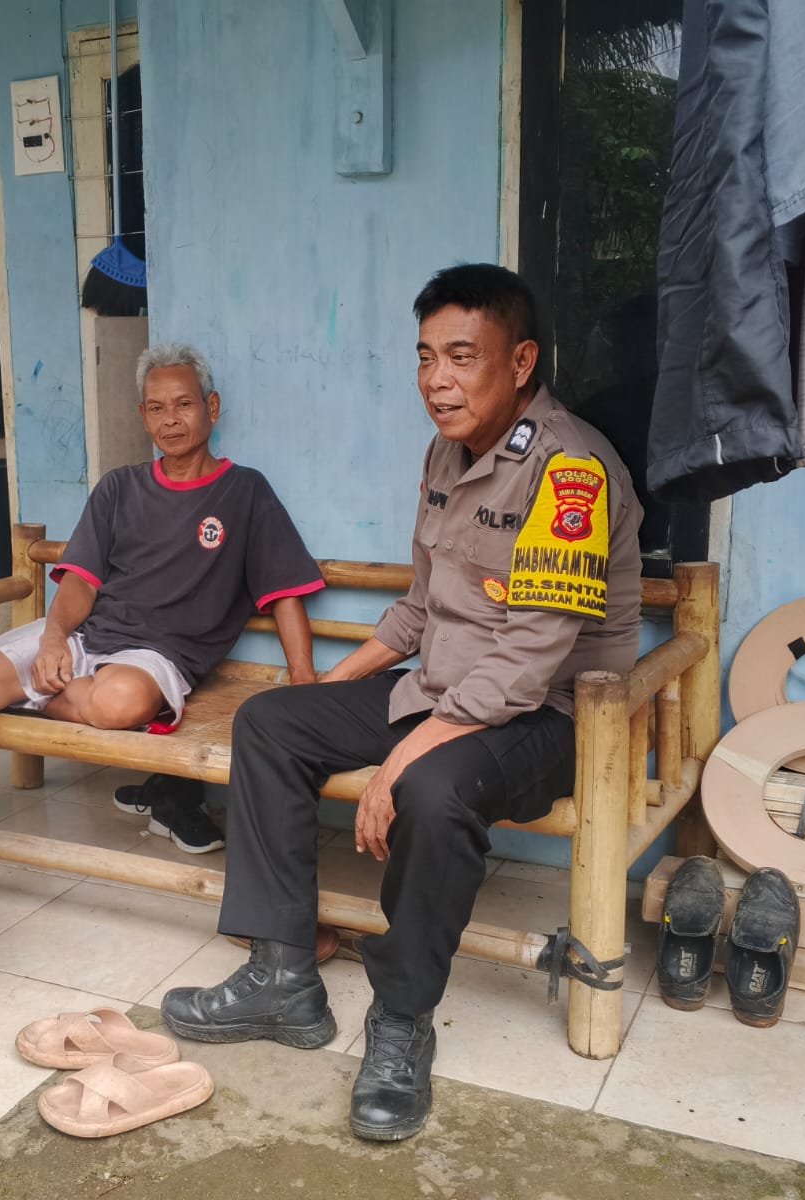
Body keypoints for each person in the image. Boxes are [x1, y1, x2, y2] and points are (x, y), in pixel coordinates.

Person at [160, 264, 644, 1141]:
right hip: (442, 692)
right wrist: (326, 696)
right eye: (425, 357)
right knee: (270, 721)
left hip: (546, 718)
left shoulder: (569, 472)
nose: (437, 380)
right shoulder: (444, 455)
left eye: (462, 356)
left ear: (521, 362)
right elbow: (420, 611)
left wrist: (397, 762)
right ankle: (281, 978)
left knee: (430, 789)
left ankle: (401, 1020)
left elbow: (525, 668)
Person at [0, 343, 325, 852]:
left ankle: (29, 696)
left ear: (211, 407)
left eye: (184, 404)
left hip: (158, 657)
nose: (171, 419)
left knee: (119, 700)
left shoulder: (244, 491)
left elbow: (284, 594)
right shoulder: (118, 488)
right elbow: (81, 581)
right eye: (157, 408)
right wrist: (55, 638)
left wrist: (303, 682)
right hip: (88, 636)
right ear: (143, 416)